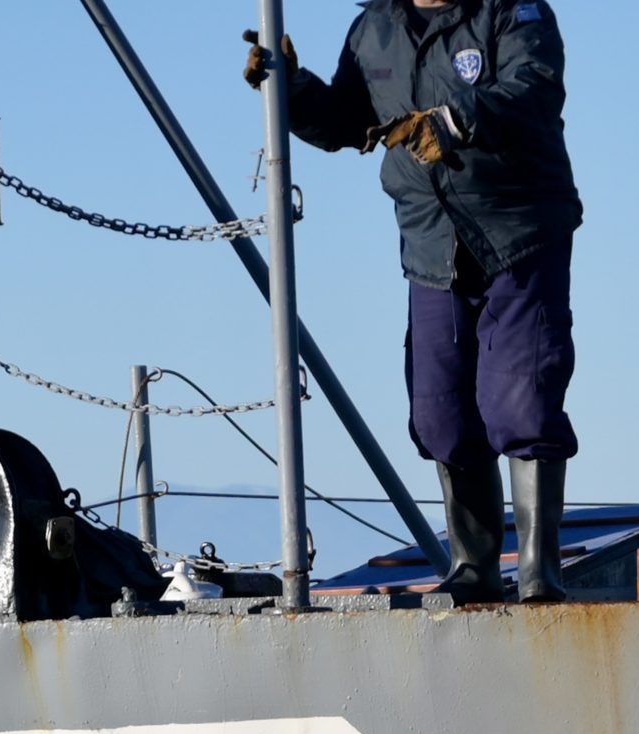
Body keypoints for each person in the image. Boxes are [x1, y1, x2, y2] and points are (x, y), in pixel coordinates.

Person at [248, 0, 582, 603]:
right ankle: (474, 567)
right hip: (431, 245)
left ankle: (538, 571)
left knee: (522, 398)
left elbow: (533, 89)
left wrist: (452, 121)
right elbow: (347, 122)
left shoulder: (513, 12)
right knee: (440, 411)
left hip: (519, 232)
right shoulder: (373, 29)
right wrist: (291, 89)